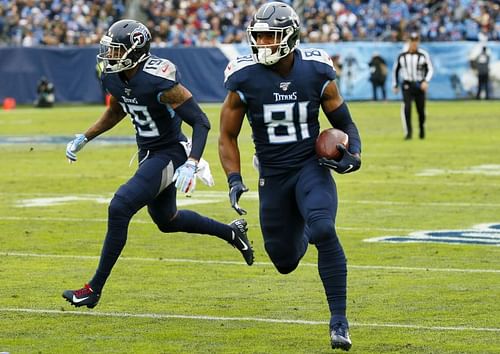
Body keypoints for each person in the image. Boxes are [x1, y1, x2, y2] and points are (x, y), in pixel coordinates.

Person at [62, 19, 254, 309]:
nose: (109, 56)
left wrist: (192, 161)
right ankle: (231, 232)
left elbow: (201, 122)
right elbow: (116, 110)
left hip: (170, 152)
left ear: (136, 51)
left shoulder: (159, 79)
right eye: (109, 50)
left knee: (120, 206)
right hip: (148, 153)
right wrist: (85, 137)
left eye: (116, 51)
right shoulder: (112, 76)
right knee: (167, 221)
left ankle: (94, 288)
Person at [218, 2, 361, 351]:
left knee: (324, 228)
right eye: (259, 36)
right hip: (273, 173)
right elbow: (227, 136)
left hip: (310, 165)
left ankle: (339, 322)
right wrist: (234, 178)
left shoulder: (315, 72)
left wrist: (353, 154)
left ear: (290, 37)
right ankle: (304, 225)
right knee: (283, 261)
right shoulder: (243, 78)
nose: (263, 43)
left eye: (270, 36)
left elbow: (346, 125)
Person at [392, 31, 433, 140]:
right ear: (408, 42)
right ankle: (408, 133)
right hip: (407, 85)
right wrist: (395, 84)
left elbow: (430, 69)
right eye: (412, 41)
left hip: (419, 84)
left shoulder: (423, 55)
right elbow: (396, 70)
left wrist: (425, 81)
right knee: (407, 108)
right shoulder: (402, 56)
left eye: (416, 41)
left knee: (421, 110)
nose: (414, 44)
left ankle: (421, 128)